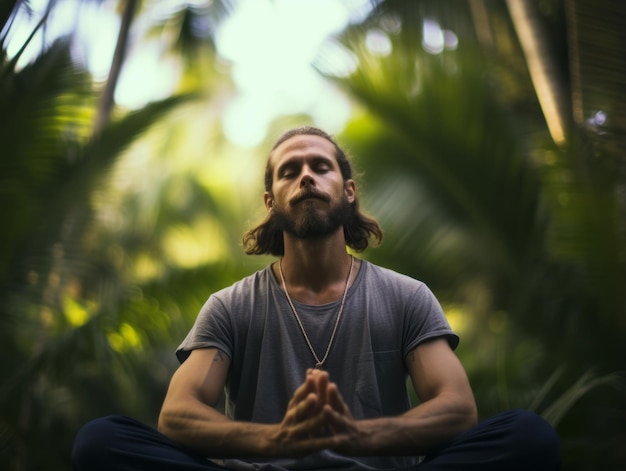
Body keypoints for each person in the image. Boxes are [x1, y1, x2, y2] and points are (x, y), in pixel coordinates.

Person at [72, 126, 561, 470]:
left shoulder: (406, 296)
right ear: (271, 201)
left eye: (319, 166)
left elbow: (457, 408)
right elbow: (177, 414)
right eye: (289, 171)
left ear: (347, 191)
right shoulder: (231, 306)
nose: (305, 176)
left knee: (528, 437)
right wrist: (276, 440)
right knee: (101, 442)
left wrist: (359, 438)